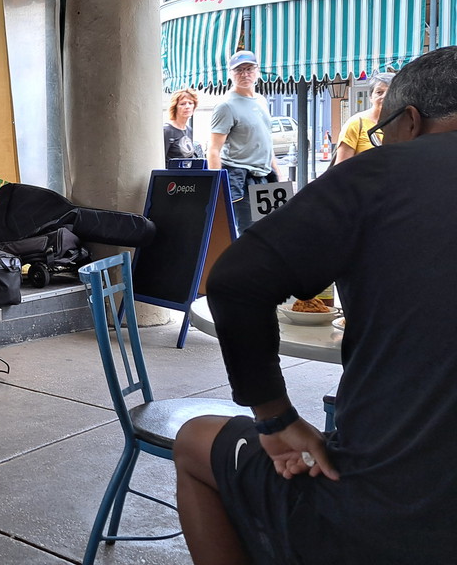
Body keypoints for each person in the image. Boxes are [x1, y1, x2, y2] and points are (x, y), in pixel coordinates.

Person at [172, 46, 457, 565]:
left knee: (194, 441)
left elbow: (234, 282)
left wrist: (275, 417)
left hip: (390, 511)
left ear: (410, 122)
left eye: (384, 131)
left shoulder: (377, 175)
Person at [207, 50, 281, 233]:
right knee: (249, 234)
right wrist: (218, 188)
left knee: (273, 229)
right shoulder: (226, 105)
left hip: (266, 176)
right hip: (241, 179)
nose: (244, 74)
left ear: (257, 71)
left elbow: (265, 141)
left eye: (249, 69)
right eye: (239, 70)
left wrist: (277, 173)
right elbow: (213, 149)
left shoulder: (261, 100)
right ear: (230, 73)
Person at [334, 72, 394, 164]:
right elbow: (340, 167)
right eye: (379, 92)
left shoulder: (403, 124)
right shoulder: (355, 124)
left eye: (390, 93)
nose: (385, 97)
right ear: (370, 97)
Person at [164, 88, 205, 166]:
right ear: (175, 107)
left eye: (190, 103)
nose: (187, 106)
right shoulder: (167, 130)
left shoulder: (189, 130)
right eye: (182, 104)